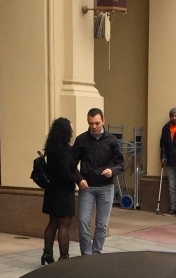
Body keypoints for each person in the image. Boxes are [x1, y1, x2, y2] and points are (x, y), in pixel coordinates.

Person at [73, 108, 124, 255]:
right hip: (87, 186)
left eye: (97, 123)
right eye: (90, 124)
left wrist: (112, 171)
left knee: (101, 224)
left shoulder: (111, 140)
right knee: (83, 221)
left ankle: (96, 253)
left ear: (103, 121)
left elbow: (121, 164)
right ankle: (86, 254)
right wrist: (79, 178)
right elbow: (71, 164)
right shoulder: (81, 140)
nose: (94, 127)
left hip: (106, 187)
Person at [40, 118, 78, 265]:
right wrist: (74, 180)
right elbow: (65, 171)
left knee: (52, 223)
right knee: (64, 224)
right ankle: (64, 257)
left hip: (51, 190)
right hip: (63, 191)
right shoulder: (64, 150)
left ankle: (47, 254)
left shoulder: (51, 148)